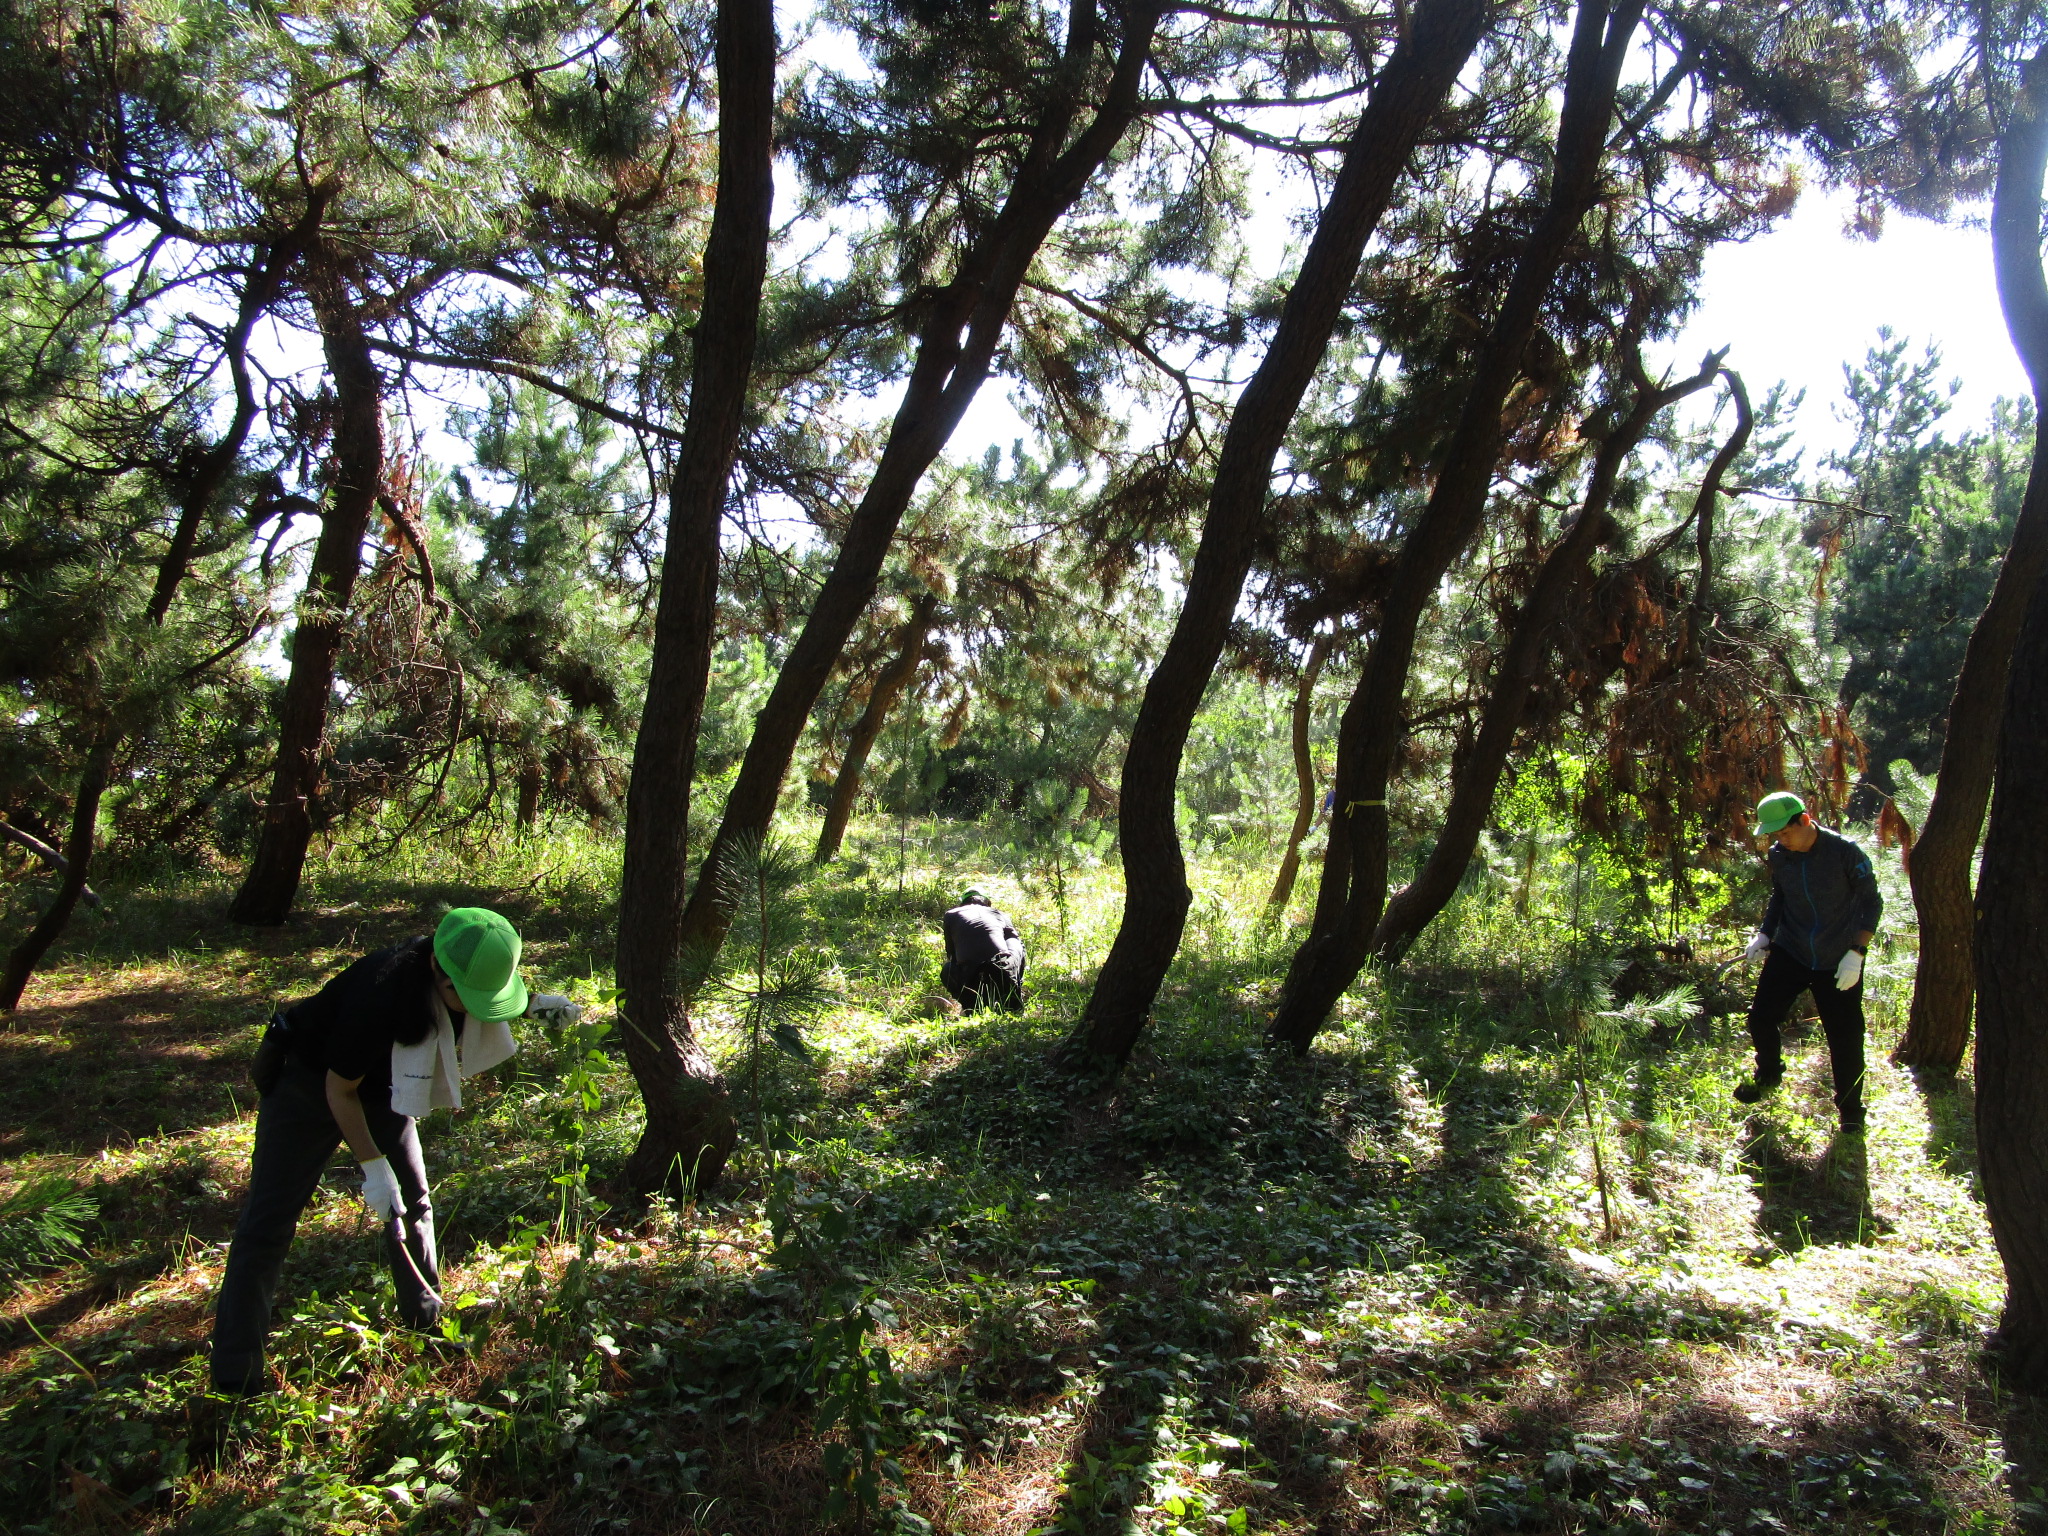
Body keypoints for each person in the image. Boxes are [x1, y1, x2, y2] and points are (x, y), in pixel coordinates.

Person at [207, 907, 578, 1396]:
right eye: (467, 998)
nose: (473, 1008)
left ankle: (427, 1323)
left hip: (385, 1084)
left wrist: (529, 1005)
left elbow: (484, 991)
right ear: (437, 975)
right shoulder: (378, 997)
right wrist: (372, 1166)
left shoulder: (463, 957)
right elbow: (339, 1092)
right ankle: (236, 1376)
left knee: (414, 1202)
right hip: (310, 1081)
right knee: (267, 1226)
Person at [1733, 792, 1882, 1132]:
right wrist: (1765, 934)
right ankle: (1769, 1075)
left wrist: (1856, 953)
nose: (1780, 841)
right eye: (1775, 836)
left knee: (1845, 1037)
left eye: (1784, 832)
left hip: (1838, 958)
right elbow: (1781, 896)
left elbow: (1871, 903)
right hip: (1793, 949)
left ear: (1804, 820)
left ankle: (1851, 1112)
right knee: (1761, 1018)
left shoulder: (1845, 853)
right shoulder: (1780, 855)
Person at [940, 887, 1026, 1013]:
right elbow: (1014, 942)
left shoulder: (951, 915)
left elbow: (951, 953)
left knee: (948, 968)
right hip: (1002, 973)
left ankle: (972, 1007)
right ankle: (1011, 998)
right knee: (1016, 943)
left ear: (963, 902)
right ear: (987, 902)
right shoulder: (998, 914)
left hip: (968, 977)